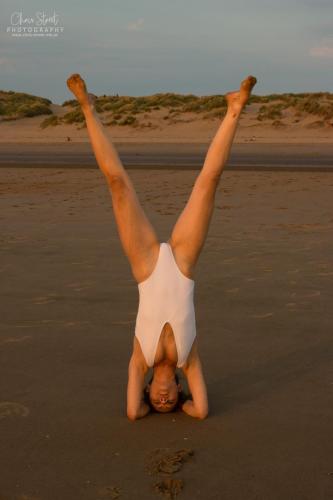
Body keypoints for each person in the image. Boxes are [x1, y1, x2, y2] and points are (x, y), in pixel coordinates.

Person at [66, 73, 257, 420]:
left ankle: (87, 108)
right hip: (183, 265)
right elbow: (201, 411)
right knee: (208, 184)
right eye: (168, 402)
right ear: (180, 389)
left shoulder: (140, 361)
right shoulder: (190, 360)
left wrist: (141, 409)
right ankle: (235, 109)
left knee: (117, 185)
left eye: (156, 400)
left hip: (147, 267)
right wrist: (188, 406)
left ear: (148, 389)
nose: (164, 401)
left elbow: (131, 413)